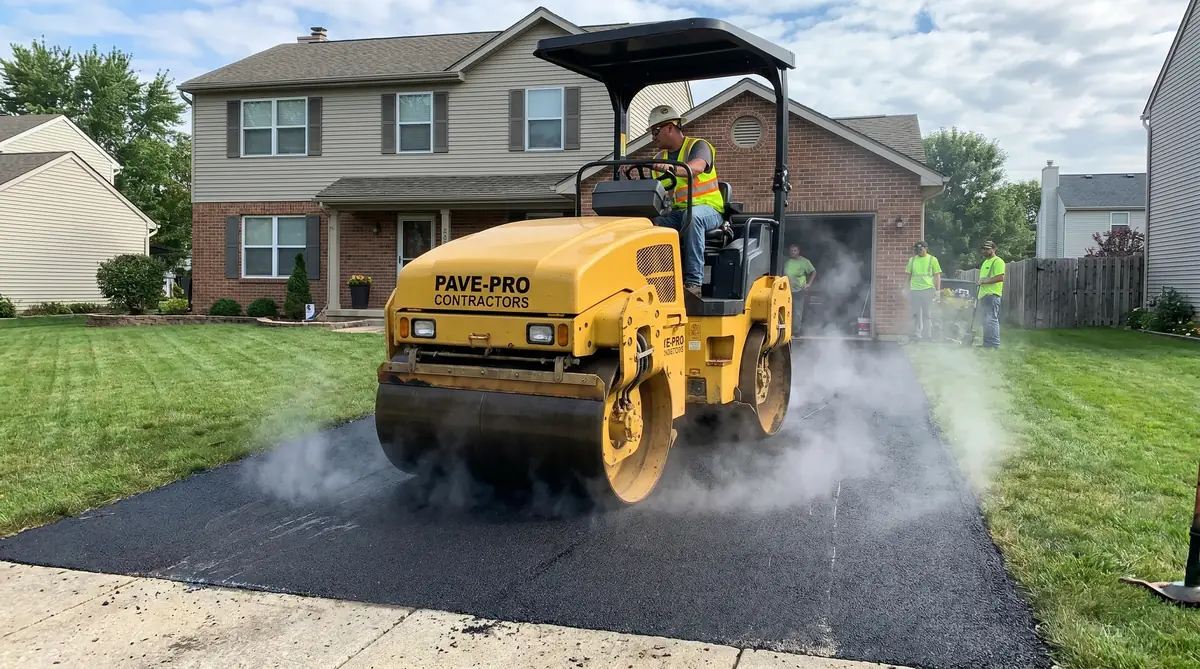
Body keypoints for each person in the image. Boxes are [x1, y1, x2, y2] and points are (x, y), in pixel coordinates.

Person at [646, 105, 725, 298]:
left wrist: (672, 169)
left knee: (693, 217)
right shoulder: (658, 158)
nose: (653, 137)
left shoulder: (698, 146)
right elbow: (654, 189)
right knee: (648, 224)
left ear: (670, 127)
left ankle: (693, 284)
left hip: (709, 210)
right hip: (678, 212)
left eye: (655, 131)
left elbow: (696, 168)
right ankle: (656, 281)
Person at [904, 240, 941, 341]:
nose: (918, 251)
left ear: (926, 248)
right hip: (915, 290)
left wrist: (938, 291)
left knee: (927, 314)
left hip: (928, 290)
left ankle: (927, 335)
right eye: (917, 249)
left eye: (920, 249)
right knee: (915, 313)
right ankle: (916, 334)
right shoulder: (912, 260)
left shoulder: (932, 260)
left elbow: (937, 276)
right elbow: (908, 275)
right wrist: (905, 288)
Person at [976, 240, 1005, 348]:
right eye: (984, 249)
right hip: (984, 295)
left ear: (994, 249)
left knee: (991, 319)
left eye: (988, 249)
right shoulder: (986, 262)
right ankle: (987, 344)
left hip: (992, 295)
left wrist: (984, 282)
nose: (985, 251)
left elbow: (1000, 277)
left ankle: (994, 344)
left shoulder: (997, 261)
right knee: (986, 321)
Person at [784, 244, 816, 337]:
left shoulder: (804, 262)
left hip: (799, 289)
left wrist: (809, 284)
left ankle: (796, 331)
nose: (793, 252)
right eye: (791, 251)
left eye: (795, 251)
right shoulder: (787, 261)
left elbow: (814, 272)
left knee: (797, 311)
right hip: (787, 289)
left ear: (798, 251)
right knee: (787, 309)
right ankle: (787, 331)